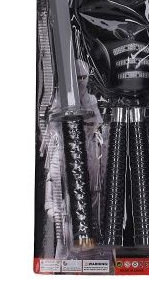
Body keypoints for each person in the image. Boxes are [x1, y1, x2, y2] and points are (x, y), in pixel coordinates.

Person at [41, 60, 106, 256]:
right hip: (63, 149)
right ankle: (62, 248)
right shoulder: (60, 98)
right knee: (56, 185)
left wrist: (86, 130)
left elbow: (96, 123)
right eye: (77, 77)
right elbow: (52, 125)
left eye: (84, 77)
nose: (81, 81)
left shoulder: (91, 99)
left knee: (93, 192)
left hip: (87, 150)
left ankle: (87, 241)